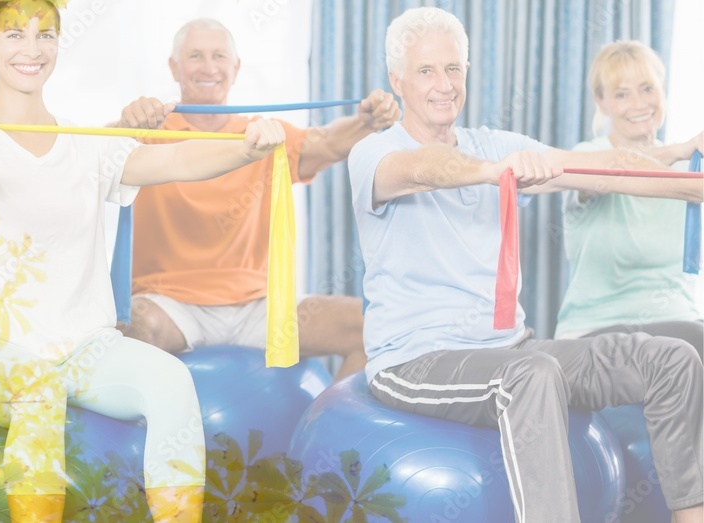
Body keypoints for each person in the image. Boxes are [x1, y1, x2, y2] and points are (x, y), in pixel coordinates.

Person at [347, 7, 702, 523]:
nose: (444, 83)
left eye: (454, 68)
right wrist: (494, 173)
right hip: (414, 359)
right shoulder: (374, 152)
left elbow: (605, 169)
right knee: (530, 375)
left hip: (509, 349)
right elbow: (426, 168)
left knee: (671, 360)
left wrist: (684, 165)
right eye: (427, 71)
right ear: (397, 80)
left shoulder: (496, 144)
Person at [0, 2, 286, 522]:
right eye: (14, 34)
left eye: (45, 35)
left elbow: (178, 159)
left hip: (82, 349)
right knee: (40, 388)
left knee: (171, 380)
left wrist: (247, 147)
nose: (31, 49)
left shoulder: (86, 146)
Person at [115, 18, 401, 380]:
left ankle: (322, 428)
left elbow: (328, 141)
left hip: (260, 310)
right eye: (195, 56)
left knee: (373, 325)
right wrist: (126, 124)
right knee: (130, 330)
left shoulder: (264, 136)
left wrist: (368, 122)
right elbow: (85, 156)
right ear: (174, 67)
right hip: (169, 307)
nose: (208, 67)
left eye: (219, 56)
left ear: (235, 68)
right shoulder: (147, 135)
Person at [556, 40, 703, 355]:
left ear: (662, 89)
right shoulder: (587, 157)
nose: (638, 104)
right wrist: (677, 151)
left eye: (647, 88)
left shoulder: (688, 165)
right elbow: (617, 169)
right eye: (622, 94)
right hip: (597, 330)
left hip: (682, 324)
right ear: (602, 101)